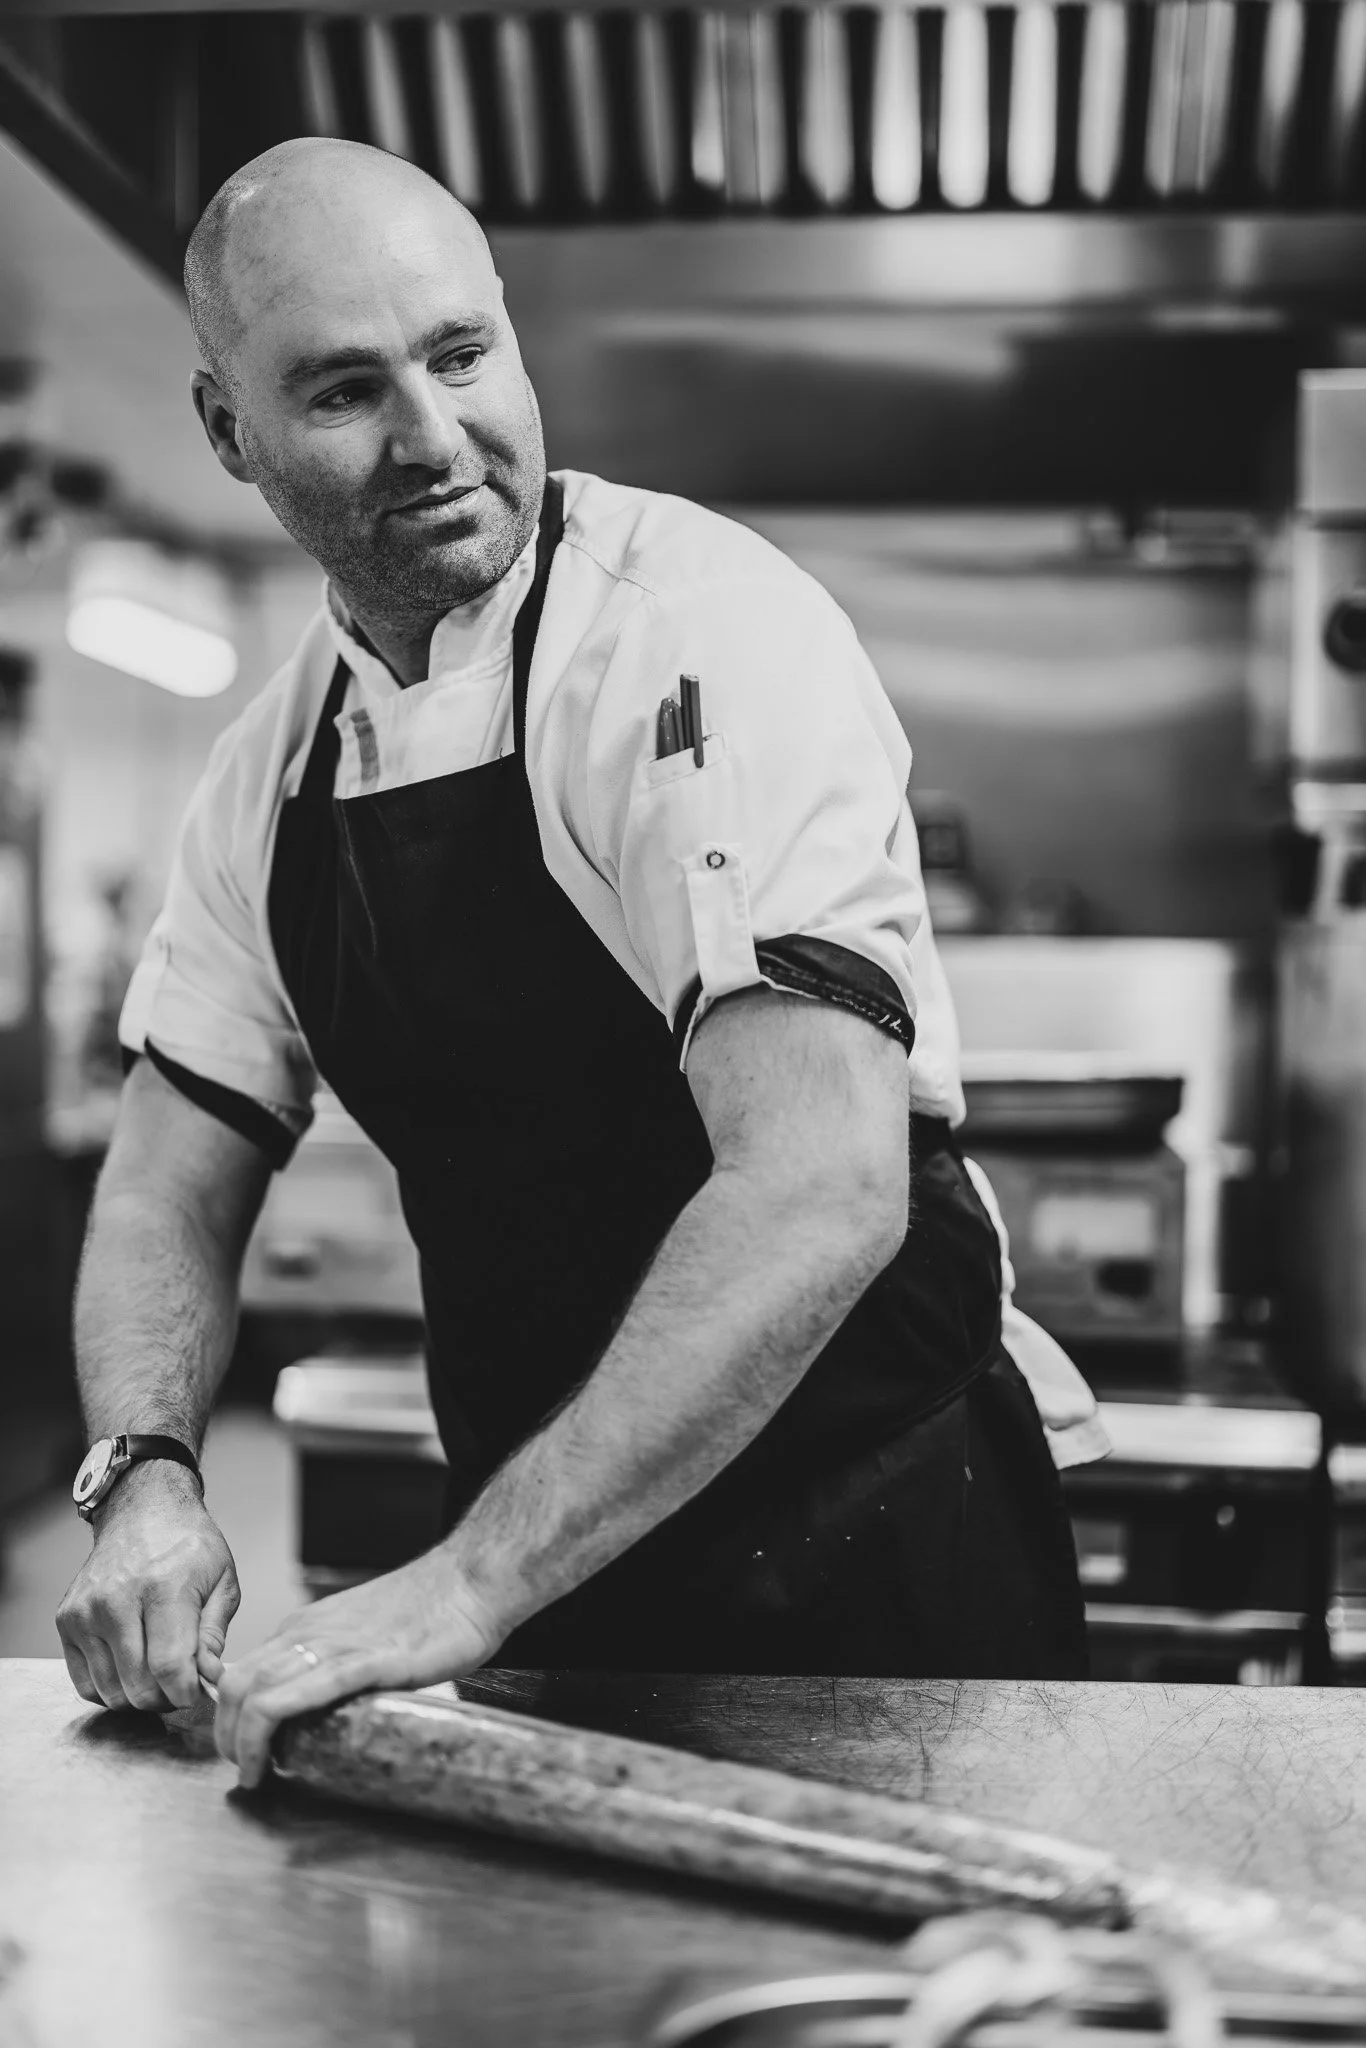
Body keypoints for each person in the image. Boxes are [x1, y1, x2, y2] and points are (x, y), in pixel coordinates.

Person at [56, 139, 1106, 1789]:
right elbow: (160, 1182)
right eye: (342, 391)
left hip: (871, 1575)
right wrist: (146, 1475)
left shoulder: (697, 634)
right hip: (558, 1560)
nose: (434, 437)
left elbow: (819, 1184)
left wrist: (469, 1579)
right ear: (225, 432)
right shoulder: (270, 773)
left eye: (461, 355)